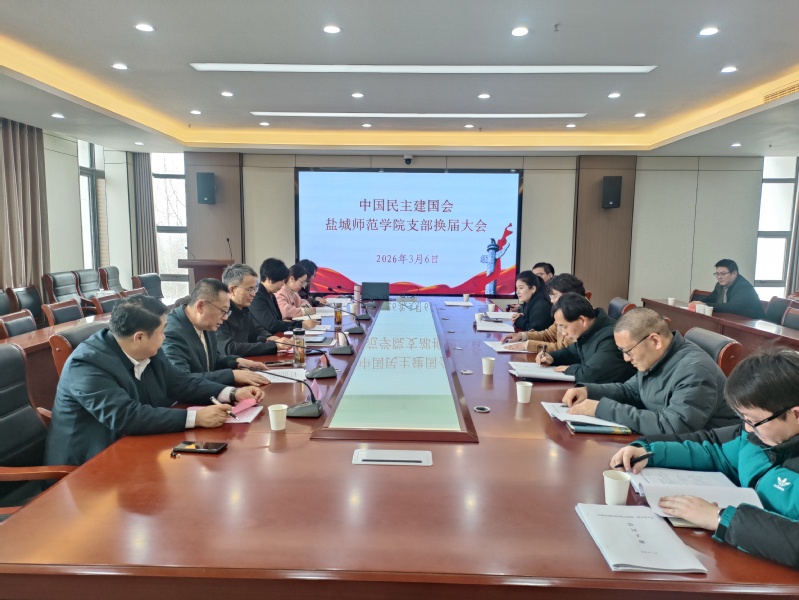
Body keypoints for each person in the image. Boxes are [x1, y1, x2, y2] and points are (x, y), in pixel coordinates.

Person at [610, 347, 799, 570]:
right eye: (743, 419)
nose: (747, 428)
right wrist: (651, 452)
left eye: (753, 421)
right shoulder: (758, 438)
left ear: (796, 414)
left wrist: (719, 518)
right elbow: (714, 450)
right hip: (740, 554)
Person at [45, 295, 265, 466]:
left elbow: (179, 382)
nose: (164, 338)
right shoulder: (86, 365)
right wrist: (196, 418)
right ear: (139, 337)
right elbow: (126, 416)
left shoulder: (148, 349)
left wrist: (230, 393)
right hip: (87, 467)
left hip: (135, 448)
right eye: (162, 332)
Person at [562, 308, 739, 434]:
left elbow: (674, 427)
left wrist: (601, 408)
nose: (626, 358)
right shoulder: (656, 358)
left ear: (655, 341)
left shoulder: (695, 370)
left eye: (628, 351)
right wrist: (589, 391)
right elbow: (631, 391)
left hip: (704, 454)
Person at [163, 278, 271, 386]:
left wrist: (238, 361)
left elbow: (211, 359)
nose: (225, 318)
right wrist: (232, 376)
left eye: (227, 312)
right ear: (201, 306)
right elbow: (181, 380)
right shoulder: (172, 332)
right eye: (223, 311)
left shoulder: (206, 323)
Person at [536, 293, 635, 384]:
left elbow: (590, 376)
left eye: (564, 327)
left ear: (582, 320)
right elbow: (571, 352)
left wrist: (569, 369)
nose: (563, 333)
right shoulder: (590, 331)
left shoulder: (611, 337)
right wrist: (552, 357)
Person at [502, 273, 586, 353]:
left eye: (554, 295)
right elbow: (548, 335)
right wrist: (522, 336)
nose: (552, 300)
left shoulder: (578, 317)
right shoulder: (562, 313)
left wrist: (527, 345)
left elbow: (564, 350)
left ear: (569, 295)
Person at [219, 263, 284, 357]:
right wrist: (272, 346)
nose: (253, 294)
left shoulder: (244, 309)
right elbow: (230, 349)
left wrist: (270, 337)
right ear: (232, 290)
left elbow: (256, 330)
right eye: (249, 289)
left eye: (255, 289)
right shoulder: (220, 313)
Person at [250, 258, 316, 334]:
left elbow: (278, 320)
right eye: (281, 280)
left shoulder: (271, 295)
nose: (282, 284)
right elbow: (271, 325)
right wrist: (301, 324)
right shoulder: (257, 297)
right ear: (269, 279)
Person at [694, 259, 766, 319]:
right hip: (735, 321)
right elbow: (710, 299)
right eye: (717, 274)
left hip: (754, 325)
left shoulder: (744, 287)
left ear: (734, 273)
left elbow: (732, 307)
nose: (719, 277)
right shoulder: (719, 286)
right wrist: (697, 303)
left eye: (723, 274)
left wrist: (705, 304)